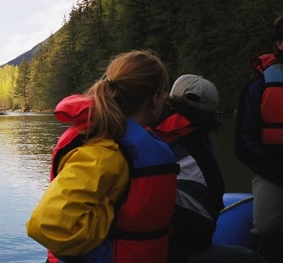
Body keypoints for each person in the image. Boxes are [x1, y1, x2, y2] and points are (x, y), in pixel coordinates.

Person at [25, 50, 179, 263]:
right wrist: (109, 215)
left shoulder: (119, 147)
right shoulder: (104, 152)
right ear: (154, 99)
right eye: (163, 93)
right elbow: (48, 226)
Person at [152, 75, 265, 263]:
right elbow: (202, 234)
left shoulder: (143, 133)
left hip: (137, 247)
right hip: (176, 253)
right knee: (251, 259)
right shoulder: (203, 161)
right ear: (210, 115)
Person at [235, 15, 283, 263]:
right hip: (272, 171)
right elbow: (244, 142)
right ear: (280, 44)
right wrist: (273, 169)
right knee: (268, 229)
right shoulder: (258, 87)